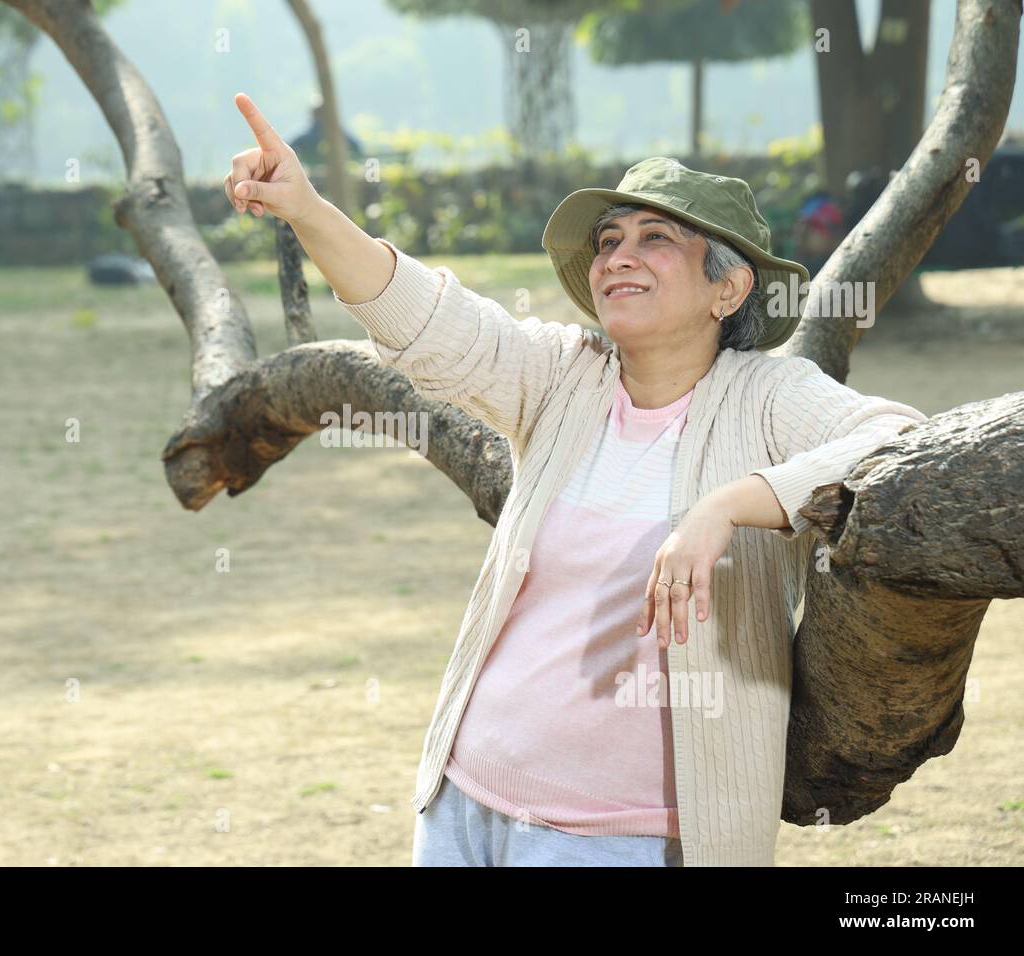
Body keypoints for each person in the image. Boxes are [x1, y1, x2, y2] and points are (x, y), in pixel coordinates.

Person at [223, 92, 928, 867]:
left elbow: (897, 441)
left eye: (656, 238)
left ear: (727, 290)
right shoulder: (565, 375)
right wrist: (307, 210)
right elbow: (427, 319)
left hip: (624, 838)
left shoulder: (769, 399)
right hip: (462, 804)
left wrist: (726, 506)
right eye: (609, 240)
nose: (618, 256)